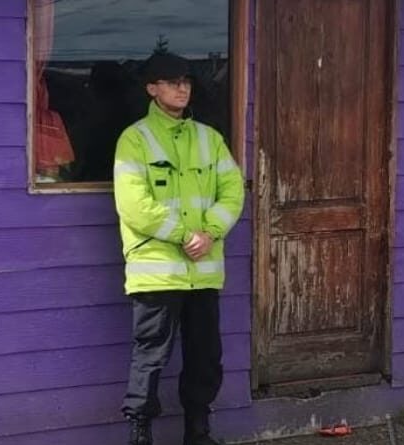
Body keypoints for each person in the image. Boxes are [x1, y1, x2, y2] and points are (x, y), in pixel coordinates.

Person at [113, 52, 245, 445]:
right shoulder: (134, 139)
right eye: (172, 82)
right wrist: (186, 235)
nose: (182, 88)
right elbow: (134, 205)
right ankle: (140, 434)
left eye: (186, 81)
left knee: (205, 357)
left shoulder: (210, 138)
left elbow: (233, 192)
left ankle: (198, 433)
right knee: (150, 357)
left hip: (203, 273)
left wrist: (211, 232)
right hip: (157, 272)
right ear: (151, 89)